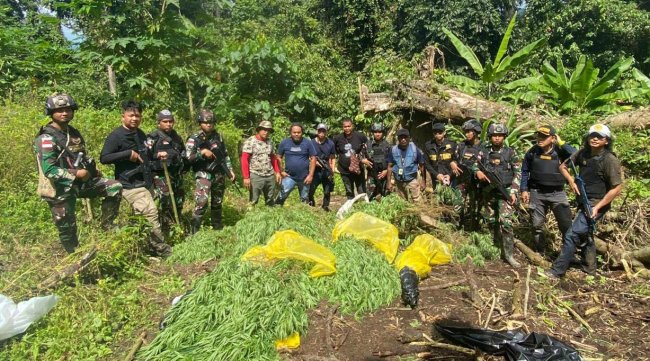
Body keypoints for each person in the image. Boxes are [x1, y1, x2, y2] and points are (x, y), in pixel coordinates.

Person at [34, 93, 122, 253]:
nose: (64, 113)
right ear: (51, 112)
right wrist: (77, 173)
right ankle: (74, 259)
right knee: (68, 229)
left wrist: (92, 170)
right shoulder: (46, 138)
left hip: (81, 184)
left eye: (68, 109)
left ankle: (107, 225)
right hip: (59, 190)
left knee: (114, 187)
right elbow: (49, 170)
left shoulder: (73, 133)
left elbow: (80, 155)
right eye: (59, 110)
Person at [547, 124, 623, 278]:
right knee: (586, 235)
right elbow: (563, 167)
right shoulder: (582, 153)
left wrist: (598, 207)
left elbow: (616, 189)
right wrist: (571, 181)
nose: (594, 139)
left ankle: (557, 270)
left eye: (599, 137)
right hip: (583, 200)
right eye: (592, 136)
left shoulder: (609, 160)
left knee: (572, 235)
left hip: (596, 203)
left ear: (606, 141)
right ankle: (590, 269)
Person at [100, 100, 170, 257]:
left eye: (137, 115)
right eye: (131, 115)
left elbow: (146, 154)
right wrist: (127, 154)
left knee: (141, 216)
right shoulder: (116, 136)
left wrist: (157, 155)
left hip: (145, 181)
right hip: (130, 184)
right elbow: (104, 157)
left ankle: (139, 247)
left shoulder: (140, 133)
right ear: (122, 117)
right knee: (150, 213)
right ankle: (161, 248)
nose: (134, 119)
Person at [520, 125, 576, 252]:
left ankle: (568, 254)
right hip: (537, 193)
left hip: (557, 193)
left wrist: (562, 143)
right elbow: (524, 171)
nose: (540, 139)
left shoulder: (560, 151)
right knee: (536, 225)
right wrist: (524, 189)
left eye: (544, 137)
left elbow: (575, 154)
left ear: (552, 138)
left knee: (566, 225)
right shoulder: (532, 152)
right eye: (539, 136)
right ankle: (540, 252)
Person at [473, 123, 522, 267]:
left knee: (506, 222)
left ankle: (509, 255)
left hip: (504, 191)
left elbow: (518, 173)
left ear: (504, 137)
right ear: (490, 136)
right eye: (494, 135)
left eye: (500, 135)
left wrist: (513, 192)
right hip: (488, 192)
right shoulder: (484, 151)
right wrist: (478, 172)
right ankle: (492, 248)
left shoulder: (511, 153)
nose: (497, 138)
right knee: (489, 220)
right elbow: (475, 164)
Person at [184, 109, 236, 233]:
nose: (209, 124)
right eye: (206, 122)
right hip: (203, 172)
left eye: (211, 122)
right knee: (202, 201)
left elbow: (225, 155)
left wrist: (230, 170)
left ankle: (217, 227)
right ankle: (194, 231)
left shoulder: (218, 137)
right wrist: (201, 153)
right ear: (200, 123)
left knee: (217, 201)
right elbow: (187, 157)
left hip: (219, 172)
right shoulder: (194, 138)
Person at [146, 109, 186, 231]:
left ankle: (177, 223)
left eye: (170, 121)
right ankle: (165, 227)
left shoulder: (176, 137)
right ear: (159, 123)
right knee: (165, 200)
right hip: (160, 174)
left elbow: (183, 152)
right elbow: (144, 156)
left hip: (175, 173)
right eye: (165, 121)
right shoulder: (152, 138)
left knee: (179, 199)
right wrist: (157, 155)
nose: (168, 124)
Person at [451, 119, 482, 230]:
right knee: (457, 206)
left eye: (470, 131)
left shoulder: (484, 147)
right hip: (461, 181)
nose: (467, 134)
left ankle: (473, 232)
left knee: (475, 208)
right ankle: (455, 230)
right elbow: (454, 159)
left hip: (476, 183)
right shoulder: (461, 146)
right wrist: (453, 164)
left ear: (477, 131)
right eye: (466, 132)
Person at [241, 120, 281, 206]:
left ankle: (269, 216)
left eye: (268, 130)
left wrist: (277, 172)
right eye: (264, 129)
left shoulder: (270, 141)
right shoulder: (250, 141)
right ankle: (252, 217)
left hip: (269, 174)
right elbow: (244, 159)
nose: (266, 132)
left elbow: (273, 157)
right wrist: (246, 177)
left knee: (270, 199)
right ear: (259, 130)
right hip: (256, 174)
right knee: (253, 200)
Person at [275, 123, 317, 205]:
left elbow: (313, 158)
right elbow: (278, 157)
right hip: (289, 176)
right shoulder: (285, 142)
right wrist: (281, 171)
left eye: (299, 132)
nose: (296, 134)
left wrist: (311, 175)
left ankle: (303, 214)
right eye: (294, 132)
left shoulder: (307, 143)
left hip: (304, 177)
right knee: (281, 196)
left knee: (304, 199)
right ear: (290, 132)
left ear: (302, 133)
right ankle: (276, 211)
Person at [333, 118, 368, 199]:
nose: (347, 128)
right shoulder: (338, 138)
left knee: (361, 190)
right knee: (349, 191)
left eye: (349, 126)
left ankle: (362, 206)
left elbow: (366, 147)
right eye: (345, 127)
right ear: (342, 127)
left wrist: (361, 157)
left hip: (358, 169)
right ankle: (350, 207)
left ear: (352, 126)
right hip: (344, 170)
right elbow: (336, 152)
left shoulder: (360, 136)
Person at [386, 129, 425, 202]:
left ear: (409, 138)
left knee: (416, 201)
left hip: (412, 180)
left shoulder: (415, 150)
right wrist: (388, 183)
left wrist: (423, 181)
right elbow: (389, 166)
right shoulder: (393, 150)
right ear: (398, 139)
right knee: (401, 202)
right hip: (398, 182)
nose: (403, 139)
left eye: (405, 137)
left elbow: (422, 166)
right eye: (401, 137)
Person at [308, 123, 336, 211]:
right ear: (317, 131)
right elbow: (307, 156)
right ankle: (311, 203)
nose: (321, 133)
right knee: (311, 189)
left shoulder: (330, 143)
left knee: (327, 190)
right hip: (315, 170)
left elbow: (332, 158)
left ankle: (325, 206)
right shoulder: (311, 142)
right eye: (320, 131)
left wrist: (332, 170)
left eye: (323, 131)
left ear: (326, 132)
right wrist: (314, 162)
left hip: (326, 169)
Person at [423, 122, 457, 189]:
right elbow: (426, 163)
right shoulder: (428, 145)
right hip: (436, 178)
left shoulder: (452, 144)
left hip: (450, 178)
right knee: (438, 197)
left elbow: (456, 161)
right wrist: (437, 175)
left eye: (440, 132)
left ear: (444, 133)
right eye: (435, 133)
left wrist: (450, 175)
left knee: (450, 197)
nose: (438, 134)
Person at [363, 123, 391, 201]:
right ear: (373, 133)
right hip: (371, 175)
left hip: (384, 176)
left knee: (385, 197)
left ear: (383, 133)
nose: (377, 134)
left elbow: (391, 161)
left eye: (380, 132)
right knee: (369, 198)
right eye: (375, 132)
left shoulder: (387, 145)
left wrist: (386, 171)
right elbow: (359, 155)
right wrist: (363, 160)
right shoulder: (367, 144)